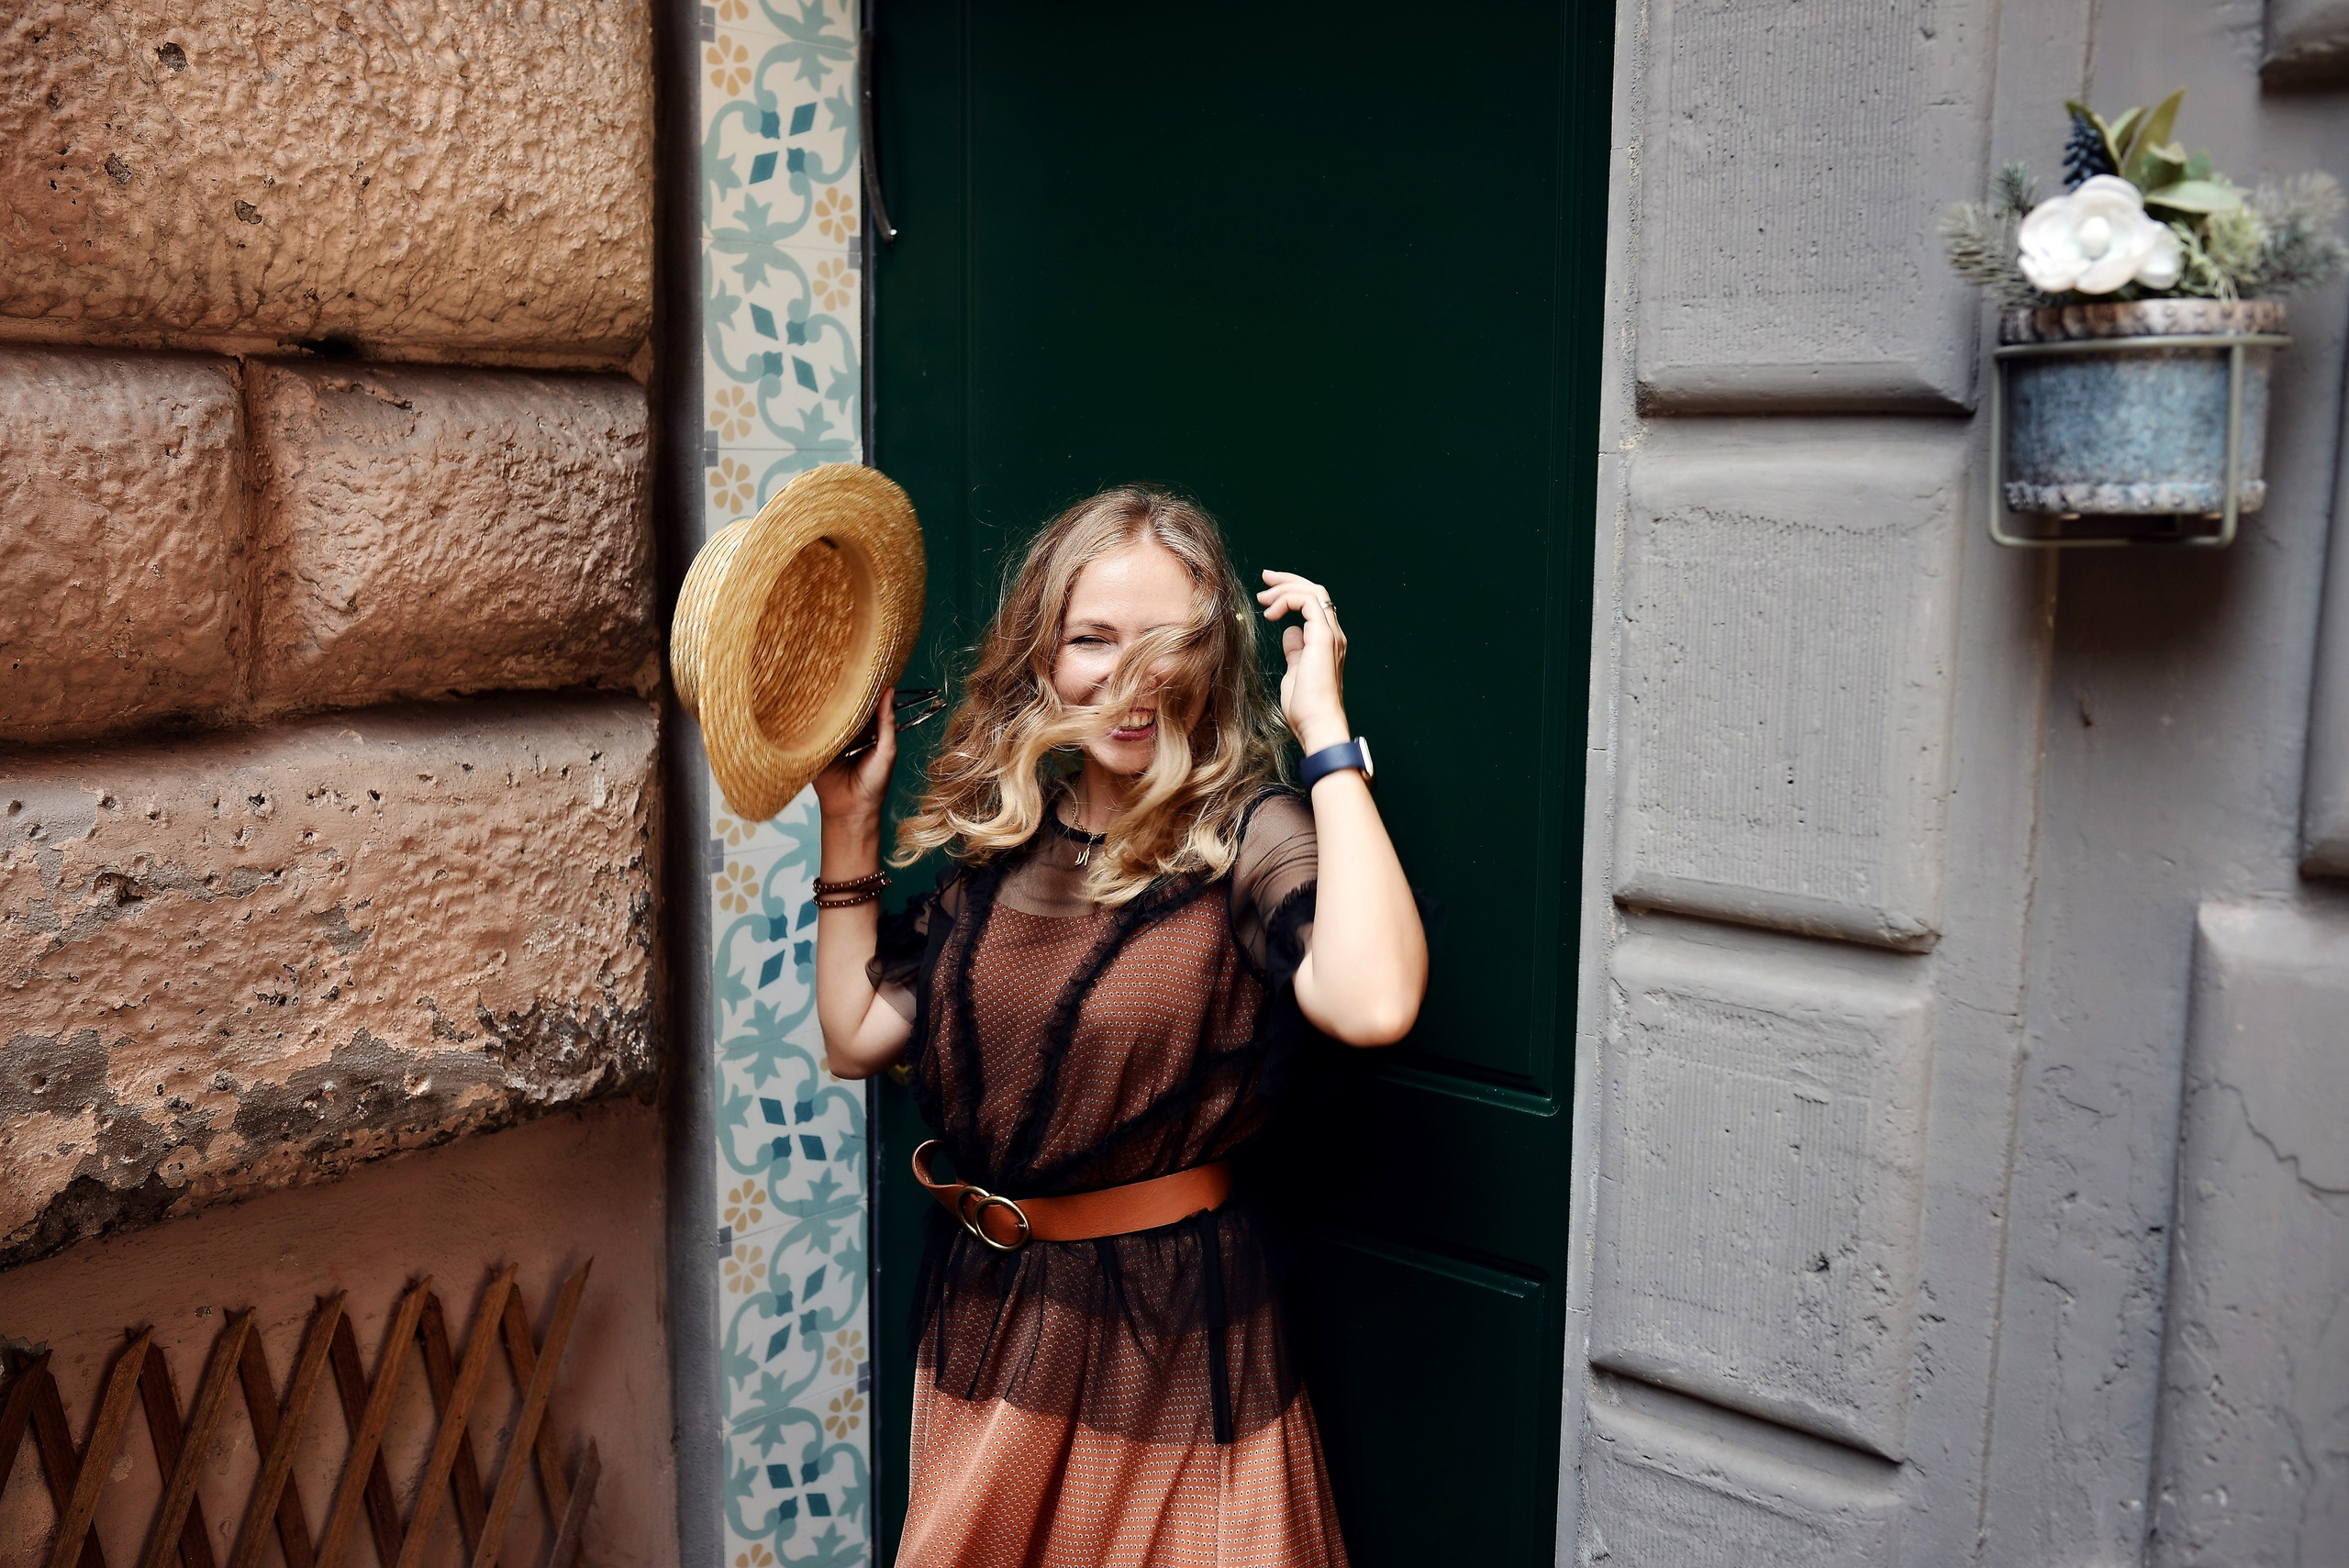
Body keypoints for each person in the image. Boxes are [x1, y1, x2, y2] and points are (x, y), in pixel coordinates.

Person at [812, 484, 1427, 1568]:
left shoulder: (1250, 830)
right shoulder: (1006, 847)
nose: (1129, 678)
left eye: (1165, 642)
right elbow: (856, 1031)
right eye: (1092, 640)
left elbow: (1373, 1001)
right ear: (1041, 658)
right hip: (991, 1322)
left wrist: (1324, 732)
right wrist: (849, 820)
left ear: (1212, 656)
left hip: (1169, 1337)